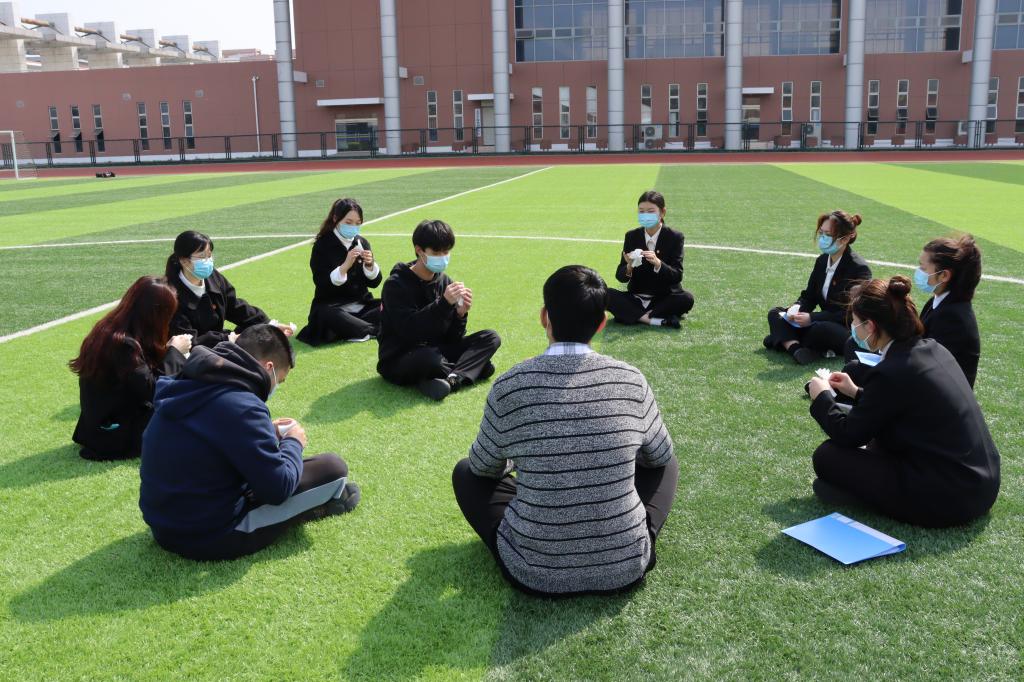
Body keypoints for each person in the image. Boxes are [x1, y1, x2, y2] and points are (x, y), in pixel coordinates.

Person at [453, 265, 679, 596]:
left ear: (544, 316)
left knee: (465, 473)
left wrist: (524, 458)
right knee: (665, 460)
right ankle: (630, 539)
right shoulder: (631, 379)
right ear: (601, 324)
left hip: (534, 572)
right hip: (626, 567)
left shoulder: (511, 385)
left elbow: (483, 467)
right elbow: (658, 456)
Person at [139, 324, 360, 560]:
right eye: (280, 380)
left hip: (161, 526)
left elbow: (209, 433)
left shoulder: (185, 380)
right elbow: (279, 489)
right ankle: (311, 507)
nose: (275, 386)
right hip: (209, 535)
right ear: (269, 368)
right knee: (334, 469)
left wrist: (264, 431)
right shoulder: (243, 405)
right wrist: (293, 441)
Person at [806, 276, 1000, 528]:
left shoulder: (891, 370)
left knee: (827, 456)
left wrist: (821, 396)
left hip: (950, 497)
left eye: (854, 322)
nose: (852, 328)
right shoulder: (933, 348)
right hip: (980, 484)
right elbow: (904, 406)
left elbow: (849, 434)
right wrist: (855, 392)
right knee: (877, 444)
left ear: (870, 326)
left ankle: (862, 497)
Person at [376, 219, 501, 401]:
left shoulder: (445, 282)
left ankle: (453, 379)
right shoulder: (396, 285)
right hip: (402, 356)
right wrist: (443, 304)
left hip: (437, 350)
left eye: (446, 251)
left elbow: (452, 338)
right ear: (419, 250)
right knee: (431, 359)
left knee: (490, 337)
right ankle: (469, 369)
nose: (442, 257)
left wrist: (460, 314)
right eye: (436, 252)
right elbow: (409, 332)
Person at [70, 276, 192, 461]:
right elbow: (153, 389)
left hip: (104, 424)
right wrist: (175, 352)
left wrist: (169, 352)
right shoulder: (122, 344)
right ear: (154, 314)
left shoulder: (112, 329)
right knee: (188, 405)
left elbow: (142, 378)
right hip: (114, 433)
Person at [841, 235, 982, 389]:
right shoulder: (940, 302)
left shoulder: (953, 318)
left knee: (854, 369)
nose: (918, 271)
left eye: (923, 267)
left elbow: (929, 367)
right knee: (853, 345)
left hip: (929, 386)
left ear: (944, 275)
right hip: (918, 370)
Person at [764, 210, 871, 364]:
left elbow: (850, 314)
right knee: (776, 313)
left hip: (844, 329)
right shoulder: (822, 261)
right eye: (821, 233)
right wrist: (796, 308)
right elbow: (809, 297)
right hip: (819, 322)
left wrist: (812, 318)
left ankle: (783, 340)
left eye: (828, 234)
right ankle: (796, 349)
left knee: (820, 328)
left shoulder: (859, 268)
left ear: (846, 238)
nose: (822, 238)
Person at [166, 230, 295, 348]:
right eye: (202, 256)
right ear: (184, 261)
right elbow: (188, 341)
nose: (208, 260)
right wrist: (228, 339)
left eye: (209, 255)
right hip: (192, 353)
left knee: (259, 336)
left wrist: (270, 325)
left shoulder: (213, 277)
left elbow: (234, 306)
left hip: (218, 341)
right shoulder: (170, 295)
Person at [297, 198, 382, 345]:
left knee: (390, 303)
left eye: (358, 223)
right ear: (336, 219)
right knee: (325, 314)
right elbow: (322, 283)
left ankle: (355, 329)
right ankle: (372, 330)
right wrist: (344, 267)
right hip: (333, 308)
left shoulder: (362, 243)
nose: (353, 227)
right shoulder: (322, 245)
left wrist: (370, 265)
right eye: (348, 222)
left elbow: (374, 283)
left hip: (362, 306)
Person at [607, 190, 694, 328]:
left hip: (663, 298)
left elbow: (677, 275)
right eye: (641, 211)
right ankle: (652, 319)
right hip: (636, 297)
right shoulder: (631, 236)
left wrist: (659, 264)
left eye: (650, 211)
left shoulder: (675, 237)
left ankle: (634, 315)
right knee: (606, 294)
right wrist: (629, 267)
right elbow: (620, 277)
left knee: (686, 298)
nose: (645, 215)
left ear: (662, 212)